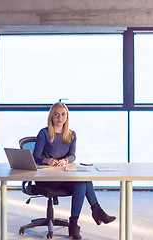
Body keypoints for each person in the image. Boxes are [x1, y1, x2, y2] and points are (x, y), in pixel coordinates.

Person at [33, 102, 116, 240]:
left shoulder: (71, 134)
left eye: (63, 114)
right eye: (56, 114)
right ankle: (96, 211)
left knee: (82, 183)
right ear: (51, 117)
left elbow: (72, 156)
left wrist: (65, 161)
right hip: (47, 178)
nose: (60, 117)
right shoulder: (44, 133)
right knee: (83, 180)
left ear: (67, 117)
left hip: (63, 175)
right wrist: (47, 161)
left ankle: (74, 224)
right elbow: (36, 156)